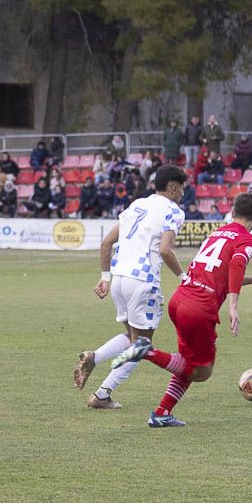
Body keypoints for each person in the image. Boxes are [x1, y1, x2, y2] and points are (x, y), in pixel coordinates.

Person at [109, 192, 252, 427]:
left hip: (181, 299)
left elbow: (221, 275)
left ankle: (161, 414)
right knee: (202, 371)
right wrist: (234, 306)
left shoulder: (217, 233)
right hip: (200, 308)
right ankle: (145, 351)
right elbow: (236, 265)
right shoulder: (247, 240)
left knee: (190, 365)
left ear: (233, 213)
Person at [73, 165, 187, 410]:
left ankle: (96, 359)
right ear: (173, 187)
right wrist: (182, 276)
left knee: (133, 338)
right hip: (143, 282)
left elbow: (106, 243)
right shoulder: (173, 210)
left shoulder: (136, 205)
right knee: (142, 345)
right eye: (182, 190)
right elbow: (165, 250)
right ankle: (102, 393)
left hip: (120, 280)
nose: (182, 195)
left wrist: (105, 277)